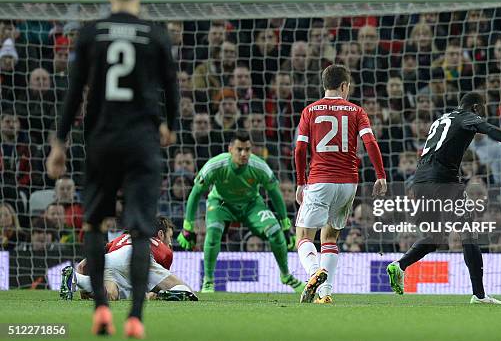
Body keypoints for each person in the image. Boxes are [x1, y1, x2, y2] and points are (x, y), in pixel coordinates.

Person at [45, 0, 179, 339]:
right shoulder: (155, 33)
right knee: (139, 229)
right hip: (141, 141)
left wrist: (59, 142)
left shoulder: (92, 32)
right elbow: (171, 87)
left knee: (95, 222)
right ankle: (135, 315)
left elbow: (75, 92)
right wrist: (171, 125)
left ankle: (102, 309)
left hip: (102, 139)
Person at [387, 92, 501, 304]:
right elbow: (491, 131)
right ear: (477, 108)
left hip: (420, 181)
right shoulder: (467, 117)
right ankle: (479, 295)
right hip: (444, 181)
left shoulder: (442, 119)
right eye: (483, 111)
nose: (483, 117)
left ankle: (399, 265)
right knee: (468, 233)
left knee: (436, 238)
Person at [294, 64, 387, 304]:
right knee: (330, 238)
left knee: (303, 235)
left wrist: (300, 182)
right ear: (344, 86)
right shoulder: (356, 111)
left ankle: (315, 272)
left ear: (325, 84)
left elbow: (300, 148)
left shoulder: (310, 111)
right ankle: (325, 294)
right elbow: (370, 143)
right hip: (348, 183)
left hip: (320, 179)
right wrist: (380, 175)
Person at [177, 130, 305, 294]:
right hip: (221, 203)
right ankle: (208, 281)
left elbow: (275, 193)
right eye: (239, 149)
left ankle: (286, 276)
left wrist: (285, 224)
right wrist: (188, 226)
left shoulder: (259, 166)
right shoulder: (216, 165)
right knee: (213, 232)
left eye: (247, 149)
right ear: (230, 149)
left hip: (251, 205)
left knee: (275, 232)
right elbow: (195, 192)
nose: (244, 154)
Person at [60, 216, 197, 302]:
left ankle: (75, 279)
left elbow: (83, 265)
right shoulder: (160, 246)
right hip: (138, 255)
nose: (171, 243)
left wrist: (84, 285)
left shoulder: (120, 239)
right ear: (161, 234)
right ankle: (162, 296)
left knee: (111, 295)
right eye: (170, 237)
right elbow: (155, 281)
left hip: (110, 259)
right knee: (187, 290)